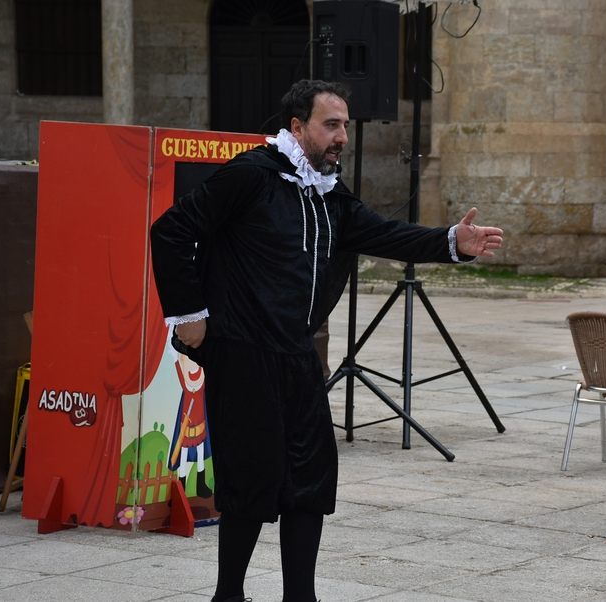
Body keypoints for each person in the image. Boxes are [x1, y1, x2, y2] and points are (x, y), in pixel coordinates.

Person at [150, 79, 504, 602]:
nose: (342, 136)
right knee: (251, 479)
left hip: (298, 355)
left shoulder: (328, 195)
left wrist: (452, 241)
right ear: (297, 127)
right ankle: (229, 595)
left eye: (344, 126)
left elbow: (384, 233)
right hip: (244, 354)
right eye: (331, 125)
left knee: (310, 480)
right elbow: (171, 230)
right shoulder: (252, 175)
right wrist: (188, 315)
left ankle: (302, 596)